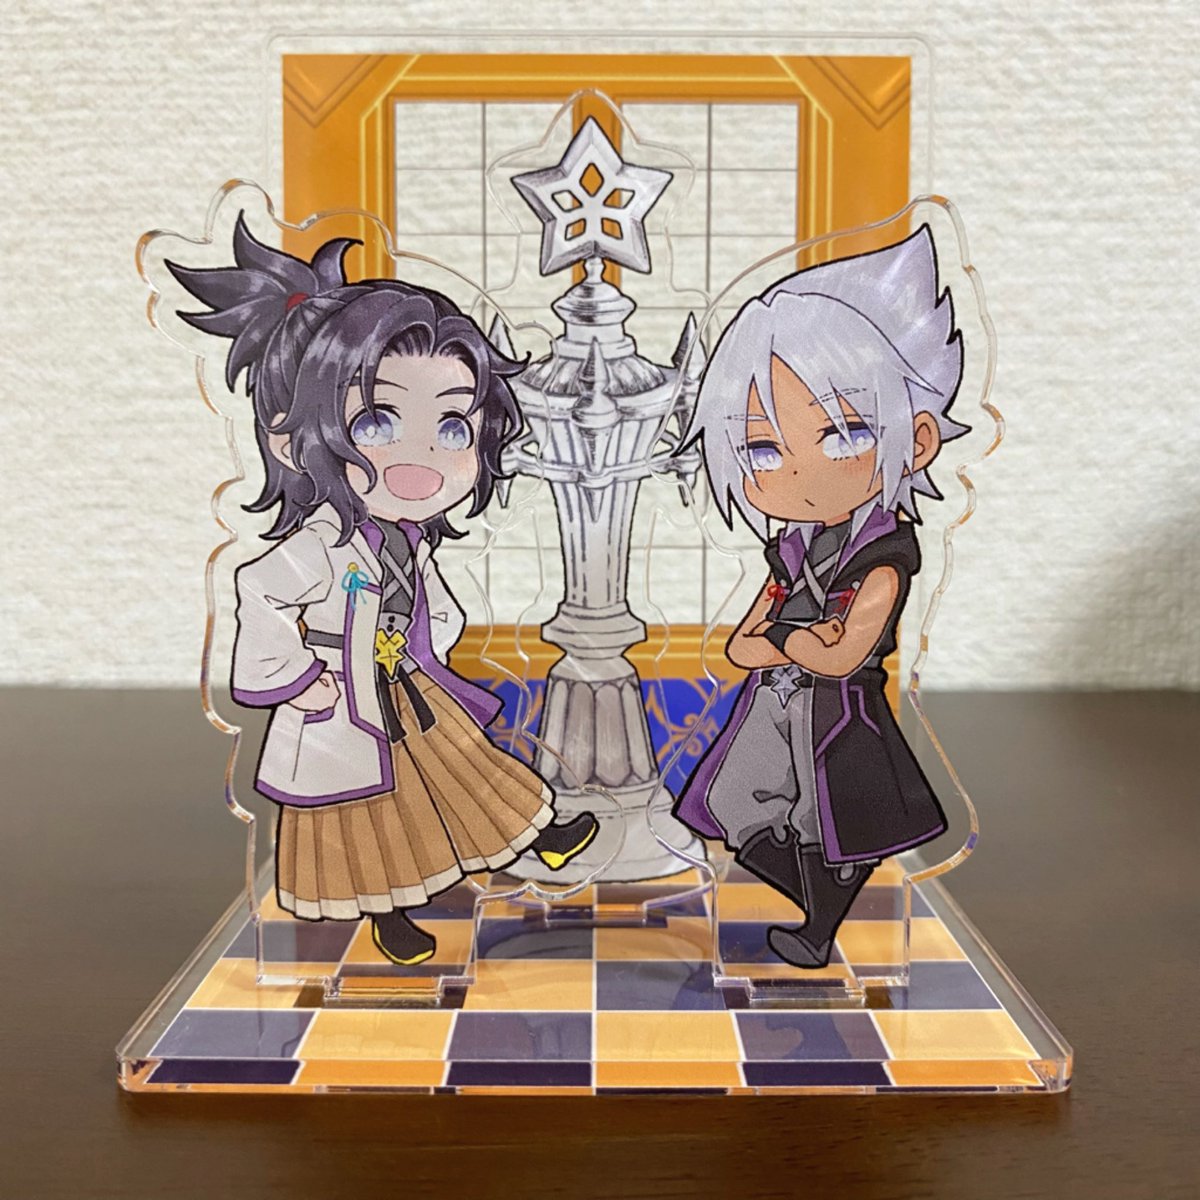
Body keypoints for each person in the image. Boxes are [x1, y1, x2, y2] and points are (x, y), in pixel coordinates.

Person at [168, 216, 596, 966]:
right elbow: (257, 590)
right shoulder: (319, 543)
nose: (421, 454)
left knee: (458, 765)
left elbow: (429, 600)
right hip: (337, 693)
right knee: (360, 813)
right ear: (289, 438)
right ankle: (387, 911)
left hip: (401, 679)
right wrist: (296, 678)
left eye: (454, 428)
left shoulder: (404, 538)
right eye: (376, 421)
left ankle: (538, 834)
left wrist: (430, 635)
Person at [674, 226, 968, 968]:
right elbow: (742, 647)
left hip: (838, 717)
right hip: (773, 705)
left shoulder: (884, 558)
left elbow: (839, 657)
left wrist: (786, 640)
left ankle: (820, 923)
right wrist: (792, 641)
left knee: (828, 820)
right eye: (762, 449)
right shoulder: (791, 549)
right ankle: (820, 903)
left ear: (917, 439)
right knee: (734, 806)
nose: (795, 474)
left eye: (842, 436)